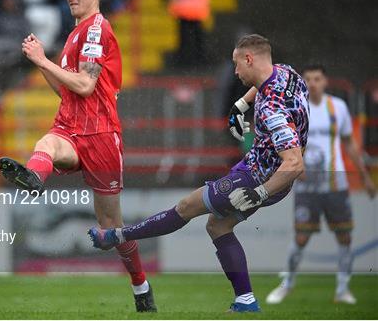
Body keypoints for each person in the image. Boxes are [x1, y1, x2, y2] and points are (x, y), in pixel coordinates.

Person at [88, 34, 310, 313]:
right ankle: (245, 302)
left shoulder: (272, 110)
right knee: (217, 226)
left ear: (249, 59)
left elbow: (294, 164)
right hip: (260, 170)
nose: (235, 71)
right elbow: (265, 86)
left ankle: (117, 236)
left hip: (259, 178)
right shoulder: (287, 73)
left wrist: (259, 192)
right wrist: (241, 105)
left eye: (236, 64)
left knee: (187, 206)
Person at [0, 0, 157, 313]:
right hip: (70, 128)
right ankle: (34, 178)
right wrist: (42, 64)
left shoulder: (97, 30)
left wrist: (42, 59)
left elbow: (85, 85)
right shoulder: (74, 36)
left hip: (100, 135)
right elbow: (66, 90)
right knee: (47, 143)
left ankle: (141, 285)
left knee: (111, 227)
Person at [266, 65, 376, 305]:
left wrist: (365, 176)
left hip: (336, 184)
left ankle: (343, 289)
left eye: (317, 79)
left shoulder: (338, 107)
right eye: (308, 79)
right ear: (303, 82)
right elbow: (285, 142)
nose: (313, 83)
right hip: (307, 187)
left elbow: (349, 143)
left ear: (325, 81)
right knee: (301, 238)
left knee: (344, 237)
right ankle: (287, 284)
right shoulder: (294, 107)